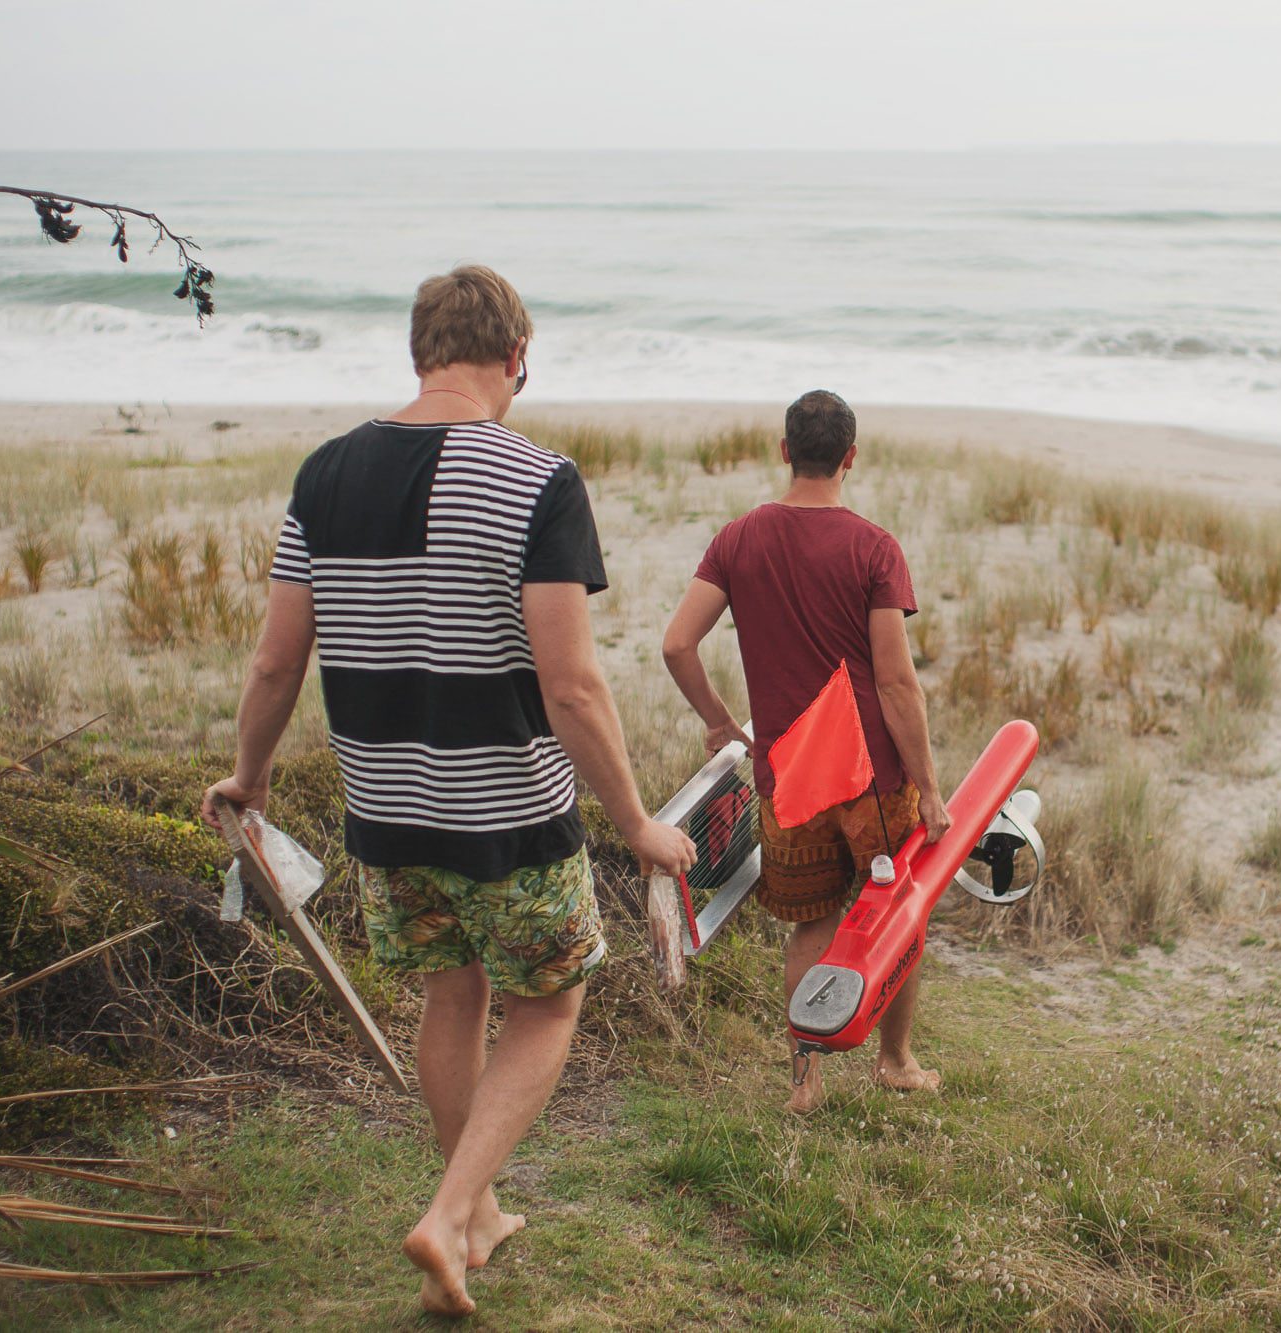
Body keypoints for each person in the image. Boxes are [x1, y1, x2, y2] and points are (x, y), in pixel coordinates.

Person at [202, 265, 694, 1318]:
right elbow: (571, 685)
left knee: (450, 996)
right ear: (515, 357)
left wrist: (248, 775)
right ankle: (449, 1209)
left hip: (385, 811)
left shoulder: (324, 474)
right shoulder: (539, 478)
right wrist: (636, 822)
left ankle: (474, 1220)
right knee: (548, 1006)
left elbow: (276, 661)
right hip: (510, 814)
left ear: (420, 353)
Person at [662, 389, 951, 1115]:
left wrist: (720, 721)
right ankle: (895, 1061)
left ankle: (804, 1085)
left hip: (788, 781)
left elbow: (676, 644)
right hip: (872, 780)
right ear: (850, 457)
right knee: (897, 913)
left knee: (810, 926)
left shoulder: (737, 540)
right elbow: (896, 682)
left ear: (785, 451)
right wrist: (930, 788)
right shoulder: (874, 548)